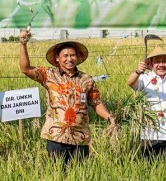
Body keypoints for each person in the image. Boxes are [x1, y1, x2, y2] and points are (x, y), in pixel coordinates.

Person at [18, 29, 116, 167]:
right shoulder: (48, 75)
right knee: (58, 174)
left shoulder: (86, 79)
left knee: (80, 175)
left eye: (72, 55)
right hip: (56, 136)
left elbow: (96, 103)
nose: (69, 59)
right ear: (57, 58)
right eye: (65, 56)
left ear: (77, 57)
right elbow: (25, 68)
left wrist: (109, 117)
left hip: (80, 137)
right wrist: (23, 43)